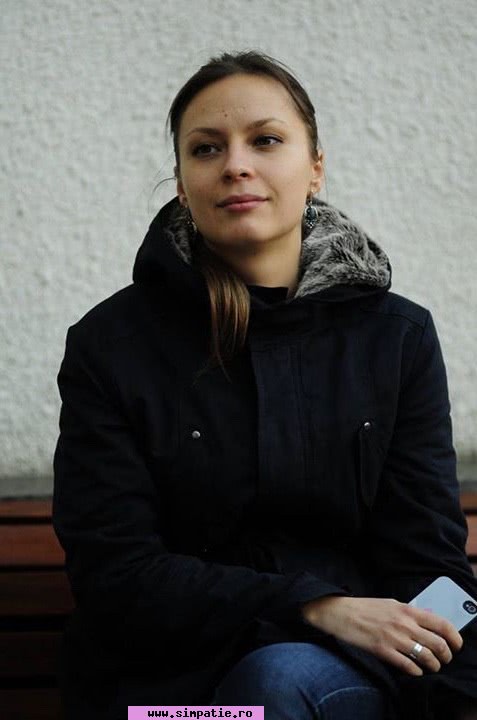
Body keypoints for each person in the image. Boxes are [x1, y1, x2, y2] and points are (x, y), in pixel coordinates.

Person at [52, 51, 477, 720]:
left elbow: (427, 557)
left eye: (266, 140)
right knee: (270, 686)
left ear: (315, 168)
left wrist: (453, 694)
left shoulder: (393, 338)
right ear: (182, 184)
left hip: (342, 678)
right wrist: (314, 605)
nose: (235, 165)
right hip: (166, 696)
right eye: (206, 148)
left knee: (281, 681)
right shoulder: (112, 346)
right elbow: (116, 572)